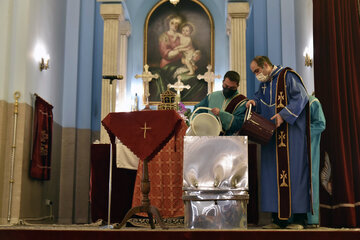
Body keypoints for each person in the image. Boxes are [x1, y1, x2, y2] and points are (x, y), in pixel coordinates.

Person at [246, 56, 310, 229]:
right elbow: (260, 99)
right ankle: (277, 220)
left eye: (257, 71)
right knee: (272, 176)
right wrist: (253, 102)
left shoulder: (288, 76)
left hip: (291, 136)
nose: (256, 75)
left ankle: (298, 219)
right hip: (272, 136)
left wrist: (284, 115)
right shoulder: (265, 83)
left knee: (295, 174)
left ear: (266, 65)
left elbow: (302, 98)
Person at [193, 70, 248, 136]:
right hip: (209, 138)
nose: (228, 89)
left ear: (237, 86)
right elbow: (197, 111)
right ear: (223, 82)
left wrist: (221, 114)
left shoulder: (242, 102)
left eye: (232, 88)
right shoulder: (212, 96)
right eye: (226, 86)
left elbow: (239, 123)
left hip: (230, 141)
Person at [307, 94, 326, 227]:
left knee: (311, 181)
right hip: (293, 149)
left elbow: (320, 124)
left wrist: (303, 133)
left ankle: (312, 219)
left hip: (309, 146)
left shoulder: (312, 102)